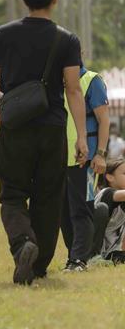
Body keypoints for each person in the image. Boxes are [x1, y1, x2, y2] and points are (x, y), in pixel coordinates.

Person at [0, 0, 87, 286]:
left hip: (15, 128)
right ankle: (38, 266)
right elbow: (73, 89)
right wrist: (81, 137)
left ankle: (21, 244)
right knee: (48, 197)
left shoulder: (3, 34)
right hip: (52, 128)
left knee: (12, 194)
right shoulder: (66, 39)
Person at [60, 60, 109, 272]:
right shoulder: (55, 82)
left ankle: (79, 259)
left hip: (85, 159)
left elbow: (104, 120)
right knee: (63, 212)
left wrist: (100, 154)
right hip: (58, 158)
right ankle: (75, 255)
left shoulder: (91, 80)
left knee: (81, 209)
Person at [90, 159, 125, 266]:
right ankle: (91, 257)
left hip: (110, 253)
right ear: (110, 177)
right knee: (102, 208)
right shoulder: (106, 193)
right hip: (91, 248)